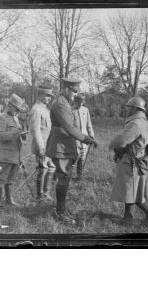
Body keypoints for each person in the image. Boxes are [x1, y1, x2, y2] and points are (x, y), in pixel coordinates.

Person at [46, 78, 97, 222]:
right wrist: (86, 139)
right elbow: (69, 126)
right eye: (74, 91)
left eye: (76, 91)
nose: (75, 95)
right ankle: (60, 212)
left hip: (65, 144)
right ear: (66, 88)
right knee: (63, 177)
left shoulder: (65, 103)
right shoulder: (61, 103)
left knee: (66, 177)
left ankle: (61, 208)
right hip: (60, 145)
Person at [109, 96, 148, 226]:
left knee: (135, 193)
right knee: (130, 190)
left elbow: (121, 141)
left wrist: (111, 144)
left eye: (129, 107)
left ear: (134, 108)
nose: (127, 109)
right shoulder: (142, 120)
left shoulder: (135, 123)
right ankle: (127, 217)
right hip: (137, 159)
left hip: (133, 161)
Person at [0, 93, 28, 206]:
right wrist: (14, 133)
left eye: (19, 110)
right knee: (1, 179)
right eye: (16, 109)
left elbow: (17, 134)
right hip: (5, 155)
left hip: (16, 155)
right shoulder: (1, 117)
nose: (18, 112)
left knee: (11, 179)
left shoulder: (15, 118)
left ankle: (9, 199)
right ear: (10, 105)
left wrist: (22, 135)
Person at [29, 86, 55, 200]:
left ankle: (46, 193)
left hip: (49, 145)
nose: (49, 98)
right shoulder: (36, 109)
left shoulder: (46, 109)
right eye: (47, 95)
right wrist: (41, 147)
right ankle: (40, 196)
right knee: (42, 169)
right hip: (42, 145)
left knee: (51, 167)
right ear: (40, 96)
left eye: (50, 96)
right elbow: (35, 130)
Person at [72, 94, 95, 179]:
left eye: (82, 102)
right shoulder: (70, 111)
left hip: (85, 138)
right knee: (74, 157)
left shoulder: (85, 110)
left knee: (82, 157)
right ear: (75, 101)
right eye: (79, 102)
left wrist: (91, 135)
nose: (80, 104)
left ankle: (79, 176)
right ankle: (68, 175)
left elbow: (89, 124)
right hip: (75, 139)